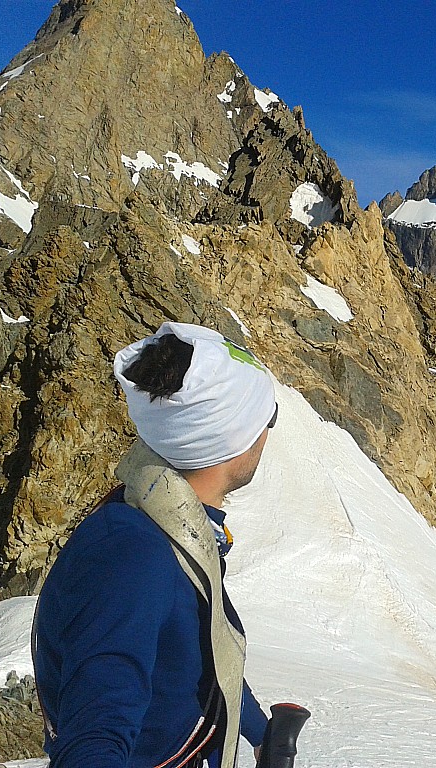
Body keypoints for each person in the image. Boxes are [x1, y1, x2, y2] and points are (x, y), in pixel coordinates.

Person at [33, 322, 278, 768]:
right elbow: (93, 738)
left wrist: (257, 729)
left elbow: (198, 642)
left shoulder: (168, 521)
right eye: (268, 416)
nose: (269, 431)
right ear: (233, 439)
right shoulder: (135, 560)